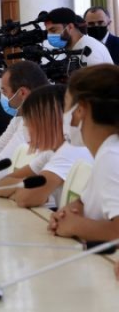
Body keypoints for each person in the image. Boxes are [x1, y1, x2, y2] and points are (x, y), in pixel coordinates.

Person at [49, 65, 119, 241]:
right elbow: (83, 202)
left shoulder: (111, 156)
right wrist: (66, 214)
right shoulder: (105, 152)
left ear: (80, 109)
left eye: (65, 104)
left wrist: (75, 226)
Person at [0, 85, 93, 208]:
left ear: (48, 121)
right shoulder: (51, 152)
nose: (26, 126)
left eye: (30, 120)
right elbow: (0, 186)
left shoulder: (71, 151)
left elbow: (25, 199)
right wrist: (25, 185)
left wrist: (21, 189)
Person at [44, 7, 113, 69]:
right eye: (48, 31)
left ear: (70, 27)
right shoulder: (77, 48)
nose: (49, 35)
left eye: (53, 30)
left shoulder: (88, 53)